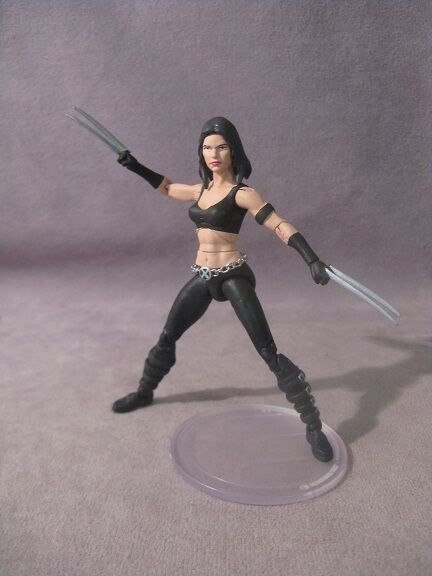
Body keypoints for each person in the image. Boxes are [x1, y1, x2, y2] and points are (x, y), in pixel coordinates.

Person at [112, 117, 333, 462]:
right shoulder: (199, 191)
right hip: (203, 275)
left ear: (234, 151)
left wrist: (312, 259)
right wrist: (136, 166)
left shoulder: (243, 194)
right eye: (207, 147)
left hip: (233, 275)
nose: (214, 154)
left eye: (221, 147)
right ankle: (144, 392)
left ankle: (313, 426)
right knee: (168, 335)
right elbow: (168, 188)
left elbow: (278, 224)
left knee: (268, 351)